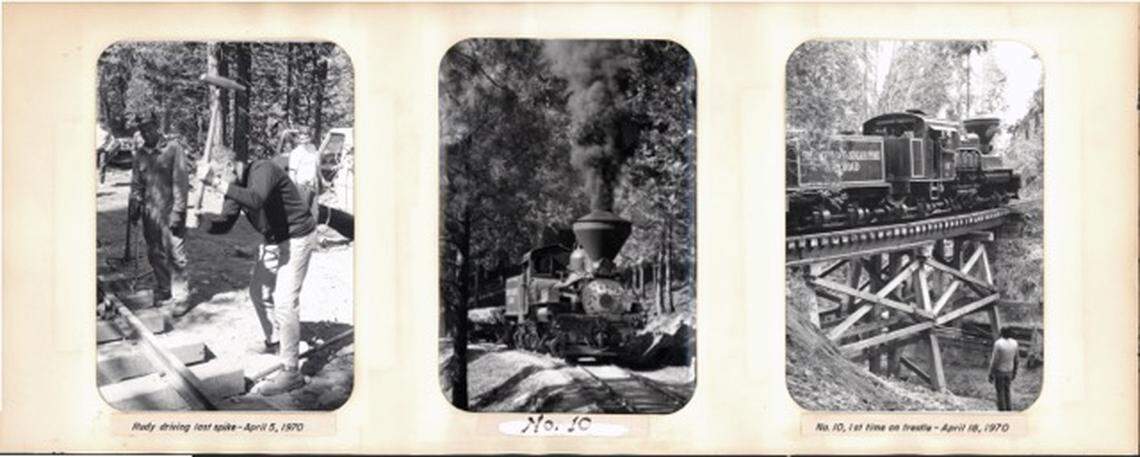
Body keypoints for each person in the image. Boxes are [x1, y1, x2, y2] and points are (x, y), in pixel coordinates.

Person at [200, 146, 318, 396]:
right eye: (217, 177)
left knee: (285, 302)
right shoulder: (235, 187)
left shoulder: (262, 170)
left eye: (219, 174)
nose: (219, 181)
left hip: (298, 236)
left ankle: (291, 372)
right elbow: (226, 222)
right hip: (275, 240)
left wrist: (215, 183)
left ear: (230, 166)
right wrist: (204, 223)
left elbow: (256, 199)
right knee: (258, 292)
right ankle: (275, 341)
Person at [128, 113, 190, 311]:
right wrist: (135, 204)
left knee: (175, 253)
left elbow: (181, 182)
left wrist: (179, 211)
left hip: (171, 210)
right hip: (150, 213)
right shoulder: (140, 155)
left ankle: (181, 297)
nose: (146, 133)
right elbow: (137, 184)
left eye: (149, 128)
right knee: (155, 252)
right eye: (142, 130)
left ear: (157, 127)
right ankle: (165, 288)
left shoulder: (173, 149)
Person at [988, 328, 1021, 411]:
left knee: (1000, 393)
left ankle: (1002, 411)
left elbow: (994, 360)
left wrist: (991, 373)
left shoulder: (998, 343)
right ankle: (1009, 409)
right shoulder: (1015, 343)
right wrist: (1015, 372)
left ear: (1001, 333)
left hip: (1000, 371)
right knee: (1007, 391)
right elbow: (1017, 359)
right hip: (1009, 371)